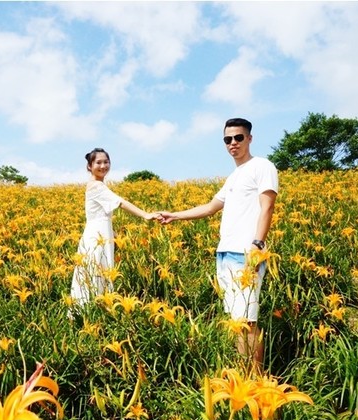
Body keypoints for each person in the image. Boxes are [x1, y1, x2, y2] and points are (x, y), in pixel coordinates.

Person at [159, 119, 278, 373]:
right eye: (228, 139)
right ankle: (242, 374)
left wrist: (257, 244)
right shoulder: (234, 176)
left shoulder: (262, 166)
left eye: (238, 138)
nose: (233, 143)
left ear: (250, 139)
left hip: (246, 253)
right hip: (225, 254)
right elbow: (211, 208)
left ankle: (254, 379)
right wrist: (174, 215)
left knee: (247, 321)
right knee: (236, 320)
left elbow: (267, 206)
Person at [70, 148, 162, 309]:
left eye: (106, 162)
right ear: (89, 166)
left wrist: (114, 235)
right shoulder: (96, 186)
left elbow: (102, 215)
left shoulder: (98, 185)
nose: (103, 166)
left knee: (99, 273)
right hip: (96, 237)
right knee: (96, 273)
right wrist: (145, 214)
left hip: (101, 234)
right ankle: (91, 311)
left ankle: (96, 310)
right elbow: (120, 202)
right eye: (98, 162)